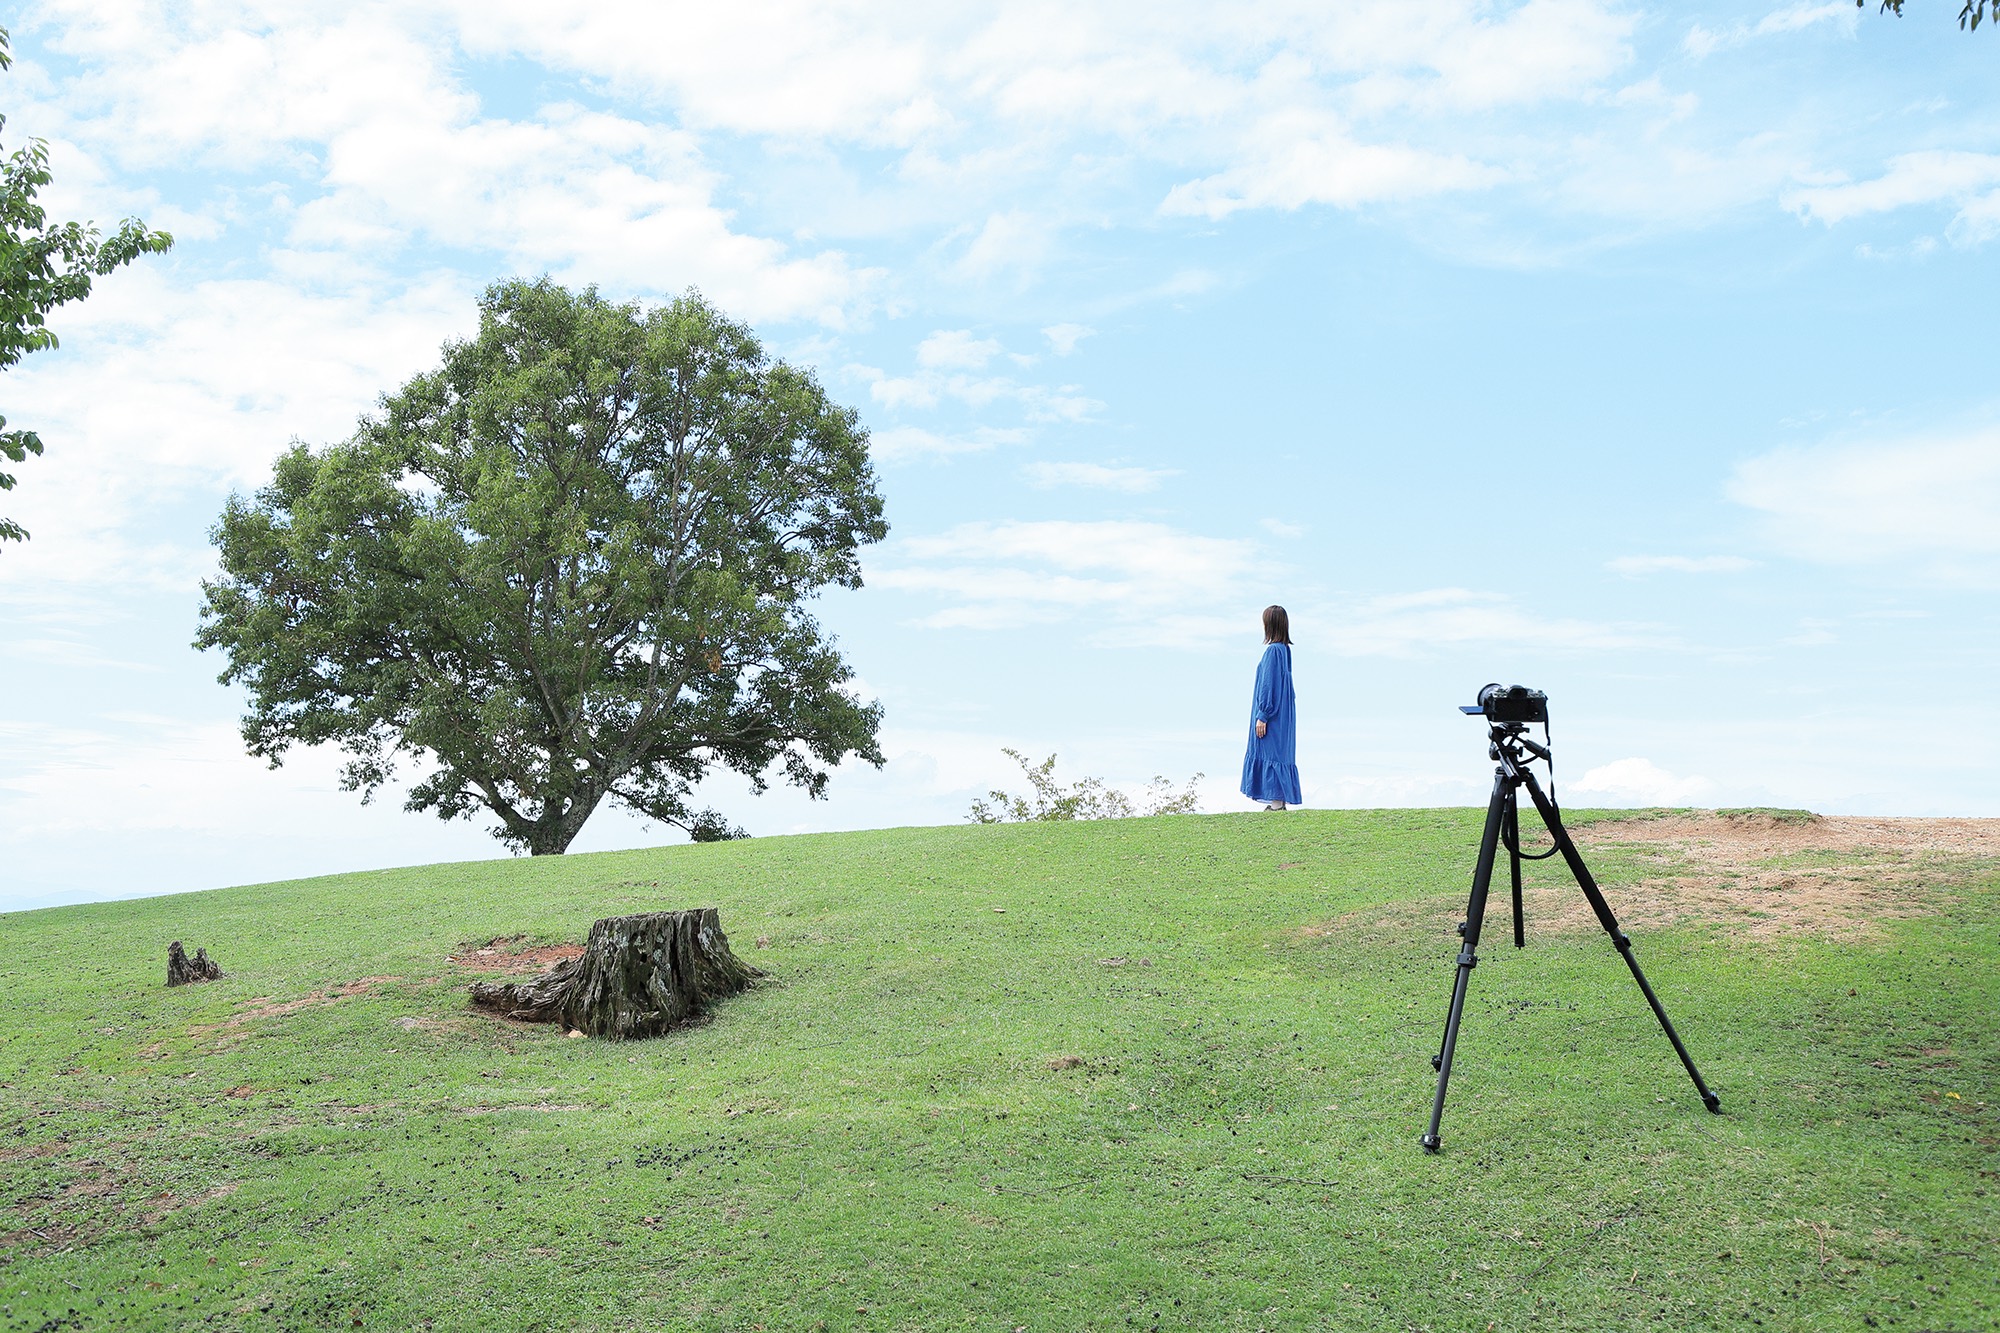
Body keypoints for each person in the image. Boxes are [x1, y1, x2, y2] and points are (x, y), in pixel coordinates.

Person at [1240, 604, 1301, 811]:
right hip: (1284, 717)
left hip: (1272, 716)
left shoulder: (1273, 652)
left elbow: (1268, 685)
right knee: (1280, 755)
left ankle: (1275, 805)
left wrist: (1262, 715)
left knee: (1271, 755)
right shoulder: (1284, 651)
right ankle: (1279, 803)